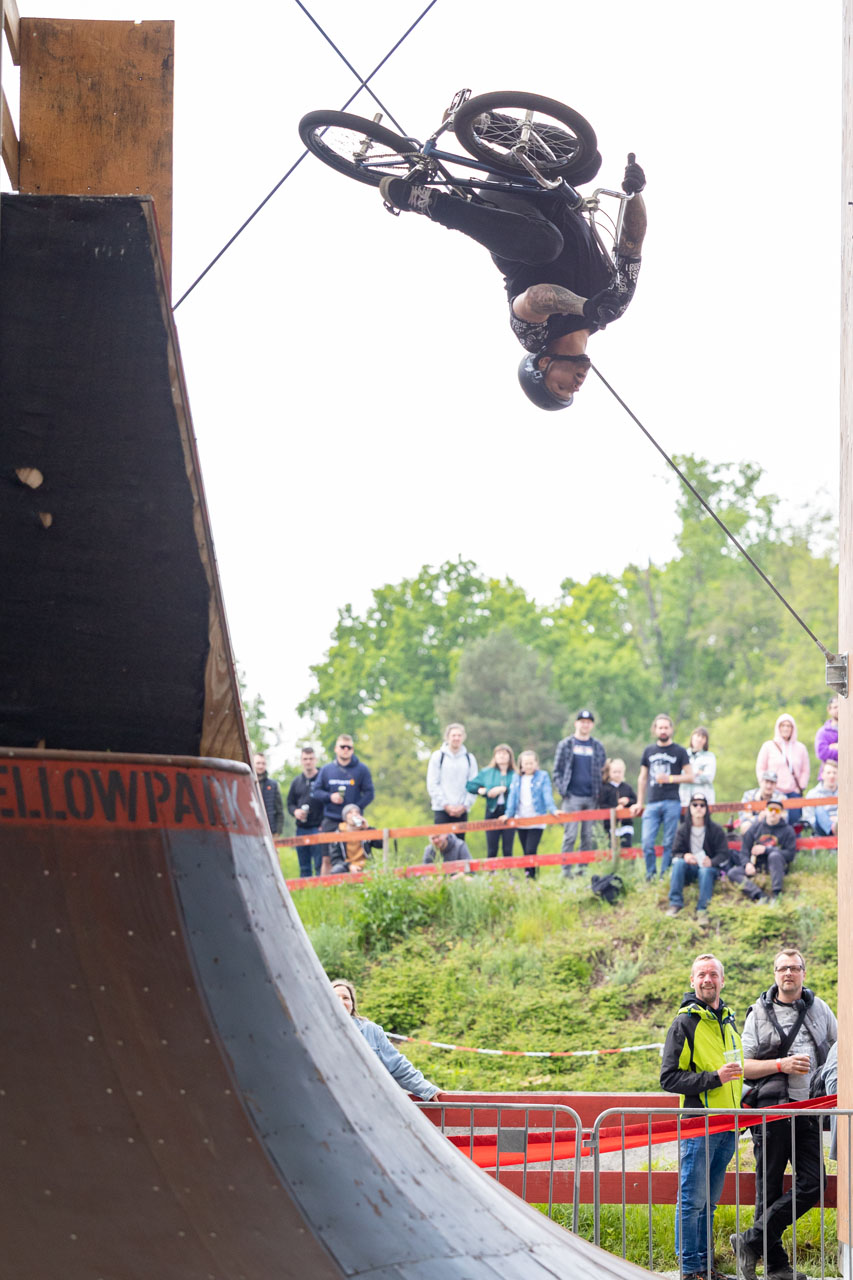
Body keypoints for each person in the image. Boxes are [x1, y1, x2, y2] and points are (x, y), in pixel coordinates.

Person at [378, 152, 646, 412]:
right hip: (545, 181)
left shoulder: (534, 336)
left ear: (543, 363)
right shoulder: (613, 305)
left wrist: (584, 307)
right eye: (571, 392)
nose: (575, 387)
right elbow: (631, 246)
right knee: (589, 161)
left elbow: (534, 298)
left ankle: (427, 202)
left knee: (546, 244)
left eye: (560, 388)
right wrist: (635, 193)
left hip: (503, 198)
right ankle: (487, 124)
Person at [732, 949, 837, 1280]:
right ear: (774, 974)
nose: (788, 973)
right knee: (769, 1189)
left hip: (807, 1110)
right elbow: (741, 1066)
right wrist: (781, 1065)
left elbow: (838, 1050)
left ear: (804, 972)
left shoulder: (820, 1009)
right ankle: (777, 1269)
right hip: (771, 1111)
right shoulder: (758, 1013)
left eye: (794, 968)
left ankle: (750, 1241)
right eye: (782, 968)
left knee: (813, 1183)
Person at [660, 953, 743, 1280]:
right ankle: (689, 1270)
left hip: (728, 1127)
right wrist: (714, 1078)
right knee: (692, 1202)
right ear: (692, 982)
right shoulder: (684, 1023)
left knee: (708, 1204)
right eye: (701, 975)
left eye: (713, 974)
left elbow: (736, 1074)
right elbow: (668, 1078)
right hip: (699, 1126)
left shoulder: (729, 1021)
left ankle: (706, 1269)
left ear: (722, 980)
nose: (708, 980)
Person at [330, 979, 444, 1101]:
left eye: (346, 998)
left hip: (366, 1102)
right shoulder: (315, 1030)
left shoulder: (370, 1031)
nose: (341, 1002)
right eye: (336, 997)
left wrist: (428, 1090)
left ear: (352, 1004)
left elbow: (397, 1065)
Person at [630, 715, 693, 881]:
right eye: (660, 727)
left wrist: (671, 778)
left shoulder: (679, 751)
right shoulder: (648, 751)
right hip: (652, 802)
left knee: (669, 842)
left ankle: (665, 876)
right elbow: (642, 778)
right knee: (647, 842)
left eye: (666, 727)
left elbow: (690, 776)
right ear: (655, 730)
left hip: (672, 801)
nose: (663, 730)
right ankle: (650, 875)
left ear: (671, 730)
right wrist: (639, 802)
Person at [553, 710, 607, 876]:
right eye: (582, 721)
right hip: (572, 796)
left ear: (592, 725)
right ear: (576, 723)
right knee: (570, 835)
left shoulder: (597, 746)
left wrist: (600, 794)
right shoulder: (566, 744)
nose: (585, 724)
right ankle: (566, 870)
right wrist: (563, 790)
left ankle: (582, 870)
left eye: (588, 722)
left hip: (591, 797)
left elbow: (604, 770)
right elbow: (557, 771)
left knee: (588, 836)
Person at [665, 793, 731, 924]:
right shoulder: (683, 829)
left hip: (708, 869)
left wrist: (711, 861)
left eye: (702, 805)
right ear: (689, 808)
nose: (698, 808)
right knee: (678, 864)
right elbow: (674, 852)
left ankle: (702, 910)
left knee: (705, 871)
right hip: (689, 868)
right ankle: (675, 904)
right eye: (695, 804)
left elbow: (724, 853)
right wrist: (685, 856)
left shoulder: (716, 830)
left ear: (706, 808)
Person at [314, 735, 375, 874]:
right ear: (336, 749)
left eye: (349, 747)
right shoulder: (327, 769)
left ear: (353, 750)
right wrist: (330, 797)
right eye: (342, 747)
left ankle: (357, 888)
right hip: (332, 818)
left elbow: (370, 793)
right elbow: (316, 791)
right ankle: (328, 891)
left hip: (354, 822)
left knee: (357, 856)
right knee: (327, 858)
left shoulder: (361, 769)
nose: (345, 750)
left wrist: (355, 809)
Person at [501, 749, 558, 879]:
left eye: (531, 763)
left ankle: (531, 878)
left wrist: (553, 809)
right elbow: (512, 797)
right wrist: (508, 814)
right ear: (521, 765)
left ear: (536, 763)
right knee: (525, 851)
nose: (528, 766)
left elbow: (547, 794)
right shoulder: (517, 778)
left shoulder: (542, 776)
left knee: (530, 850)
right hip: (521, 819)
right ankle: (530, 876)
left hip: (536, 819)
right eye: (525, 763)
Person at [731, 799, 797, 903]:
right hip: (757, 865)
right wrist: (747, 864)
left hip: (777, 867)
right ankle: (760, 896)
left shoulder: (788, 830)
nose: (773, 812)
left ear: (782, 813)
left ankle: (776, 895)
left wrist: (766, 850)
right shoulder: (755, 828)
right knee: (733, 873)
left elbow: (790, 854)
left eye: (777, 810)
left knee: (774, 855)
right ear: (765, 811)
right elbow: (744, 851)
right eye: (771, 809)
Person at [755, 714, 810, 825]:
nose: (786, 728)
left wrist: (800, 787)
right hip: (774, 792)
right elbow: (760, 768)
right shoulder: (768, 746)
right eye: (783, 725)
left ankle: (794, 842)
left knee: (794, 822)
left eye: (789, 726)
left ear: (793, 728)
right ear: (778, 727)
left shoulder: (800, 748)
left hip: (793, 792)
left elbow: (805, 769)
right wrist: (765, 786)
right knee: (774, 820)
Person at [467, 743, 517, 858]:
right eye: (499, 754)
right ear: (494, 756)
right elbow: (470, 786)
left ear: (510, 756)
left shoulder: (515, 773)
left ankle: (508, 873)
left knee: (508, 848)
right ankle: (491, 874)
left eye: (505, 754)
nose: (502, 756)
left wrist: (503, 789)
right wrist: (483, 790)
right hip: (492, 810)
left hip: (509, 812)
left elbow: (518, 789)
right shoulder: (487, 772)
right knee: (492, 847)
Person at [426, 723, 478, 827]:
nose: (456, 738)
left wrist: (464, 805)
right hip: (441, 809)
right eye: (453, 735)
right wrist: (445, 805)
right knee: (441, 841)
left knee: (459, 843)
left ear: (463, 737)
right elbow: (432, 783)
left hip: (462, 810)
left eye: (459, 735)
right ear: (447, 737)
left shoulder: (469, 758)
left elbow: (474, 784)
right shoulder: (438, 756)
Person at [286, 746, 325, 877]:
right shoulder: (296, 782)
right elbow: (289, 803)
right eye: (305, 759)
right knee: (304, 866)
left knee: (320, 864)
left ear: (316, 760)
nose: (308, 761)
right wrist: (295, 811)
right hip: (301, 828)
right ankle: (305, 891)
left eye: (311, 759)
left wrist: (324, 823)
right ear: (301, 761)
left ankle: (320, 891)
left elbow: (328, 802)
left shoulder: (322, 779)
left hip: (318, 827)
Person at [329, 804, 382, 874]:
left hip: (365, 863)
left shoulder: (364, 831)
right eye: (350, 813)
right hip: (346, 865)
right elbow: (335, 859)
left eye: (357, 812)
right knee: (336, 870)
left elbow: (381, 844)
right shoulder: (338, 833)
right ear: (345, 817)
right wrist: (349, 866)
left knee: (376, 870)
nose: (354, 814)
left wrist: (368, 828)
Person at [598, 758, 637, 848]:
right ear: (610, 773)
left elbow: (635, 801)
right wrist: (614, 809)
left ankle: (627, 862)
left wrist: (627, 801)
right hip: (610, 825)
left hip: (626, 824)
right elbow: (602, 805)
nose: (617, 774)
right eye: (614, 772)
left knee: (626, 846)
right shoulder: (605, 788)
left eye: (619, 772)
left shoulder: (627, 788)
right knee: (612, 848)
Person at [735, 771, 788, 837]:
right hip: (755, 826)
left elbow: (784, 818)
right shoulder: (749, 795)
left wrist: (768, 816)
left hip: (774, 826)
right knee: (745, 826)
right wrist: (759, 818)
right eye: (766, 782)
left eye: (772, 783)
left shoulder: (781, 797)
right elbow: (744, 818)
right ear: (761, 782)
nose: (769, 786)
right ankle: (748, 846)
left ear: (776, 784)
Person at [680, 726, 717, 806]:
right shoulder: (683, 754)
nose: (699, 739)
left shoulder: (709, 756)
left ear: (706, 741)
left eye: (703, 737)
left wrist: (687, 776)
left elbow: (708, 777)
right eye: (698, 736)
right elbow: (678, 775)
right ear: (692, 737)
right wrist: (698, 772)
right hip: (684, 798)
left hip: (704, 798)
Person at [254, 752, 284, 838]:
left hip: (270, 830)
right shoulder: (247, 782)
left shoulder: (273, 785)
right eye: (258, 763)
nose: (261, 766)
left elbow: (279, 810)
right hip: (252, 830)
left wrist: (278, 831)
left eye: (263, 763)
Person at [805, 758, 838, 837]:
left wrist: (837, 819)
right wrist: (828, 821)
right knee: (819, 809)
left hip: (842, 824)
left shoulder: (846, 792)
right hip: (820, 828)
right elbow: (808, 817)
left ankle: (836, 827)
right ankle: (833, 829)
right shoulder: (813, 794)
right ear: (822, 775)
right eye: (828, 773)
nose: (832, 775)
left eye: (834, 772)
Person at [814, 695, 839, 773]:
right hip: (829, 777)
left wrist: (834, 747)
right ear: (829, 709)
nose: (838, 709)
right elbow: (822, 753)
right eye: (835, 707)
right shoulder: (823, 732)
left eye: (841, 707)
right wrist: (844, 750)